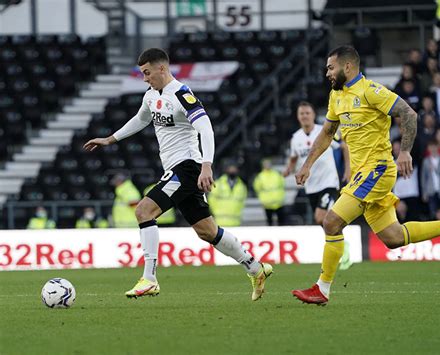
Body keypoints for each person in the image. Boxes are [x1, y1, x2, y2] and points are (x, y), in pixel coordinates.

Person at [84, 48, 272, 301]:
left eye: (147, 72)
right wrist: (110, 139)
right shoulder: (151, 95)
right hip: (177, 169)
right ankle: (254, 267)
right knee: (207, 231)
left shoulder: (182, 94)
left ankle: (149, 279)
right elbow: (140, 120)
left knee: (143, 211)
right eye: (142, 74)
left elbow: (206, 129)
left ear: (162, 68)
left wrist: (207, 165)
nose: (145, 78)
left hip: (187, 167)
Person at [291, 45, 440, 306]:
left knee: (331, 222)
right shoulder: (336, 97)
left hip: (377, 170)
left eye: (331, 67)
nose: (327, 73)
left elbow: (408, 113)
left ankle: (322, 288)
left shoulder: (370, 91)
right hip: (362, 175)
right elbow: (327, 133)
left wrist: (406, 152)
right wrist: (307, 164)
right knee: (393, 238)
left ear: (347, 66)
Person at [283, 101, 352, 270]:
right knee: (324, 221)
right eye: (302, 113)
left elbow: (344, 146)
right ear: (298, 117)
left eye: (307, 113)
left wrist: (349, 169)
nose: (305, 116)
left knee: (321, 218)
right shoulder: (296, 138)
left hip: (329, 182)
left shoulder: (324, 132)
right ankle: (339, 246)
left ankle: (343, 248)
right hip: (311, 186)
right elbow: (293, 156)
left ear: (313, 115)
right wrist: (289, 169)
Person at [253, 158, 286, 226]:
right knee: (269, 222)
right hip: (267, 204)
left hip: (278, 202)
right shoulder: (260, 176)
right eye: (266, 164)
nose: (267, 165)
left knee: (281, 222)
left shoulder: (276, 174)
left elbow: (282, 184)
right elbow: (257, 188)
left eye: (268, 164)